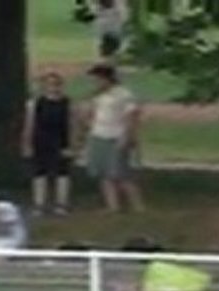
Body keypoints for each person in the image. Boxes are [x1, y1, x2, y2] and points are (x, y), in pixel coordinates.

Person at [85, 64, 145, 213]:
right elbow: (91, 113)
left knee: (121, 174)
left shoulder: (123, 94)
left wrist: (127, 136)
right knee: (104, 173)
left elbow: (132, 116)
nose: (95, 83)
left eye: (98, 79)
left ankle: (138, 206)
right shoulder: (97, 95)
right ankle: (112, 206)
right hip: (99, 134)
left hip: (116, 136)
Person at [24, 72, 74, 216]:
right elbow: (30, 124)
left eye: (56, 84)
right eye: (49, 84)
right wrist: (27, 144)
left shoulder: (67, 103)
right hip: (40, 140)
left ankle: (61, 203)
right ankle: (39, 203)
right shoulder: (35, 103)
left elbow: (71, 124)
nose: (53, 87)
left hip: (60, 140)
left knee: (62, 172)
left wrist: (72, 144)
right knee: (40, 172)